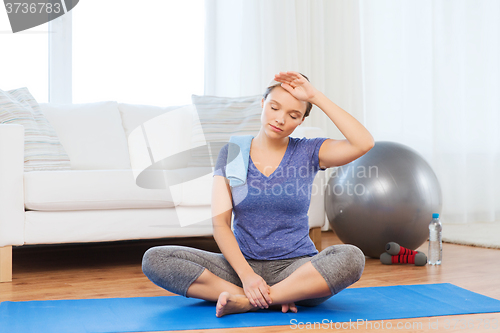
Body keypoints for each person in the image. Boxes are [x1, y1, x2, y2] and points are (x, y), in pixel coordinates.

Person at [142, 71, 375, 317]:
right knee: (156, 259)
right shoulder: (233, 152)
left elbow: (364, 143)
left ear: (300, 121)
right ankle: (269, 296)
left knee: (352, 257)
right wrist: (248, 277)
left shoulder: (309, 151)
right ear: (263, 104)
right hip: (239, 267)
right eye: (274, 107)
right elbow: (220, 225)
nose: (280, 119)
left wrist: (315, 96)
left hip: (295, 269)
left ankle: (250, 301)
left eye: (293, 115)